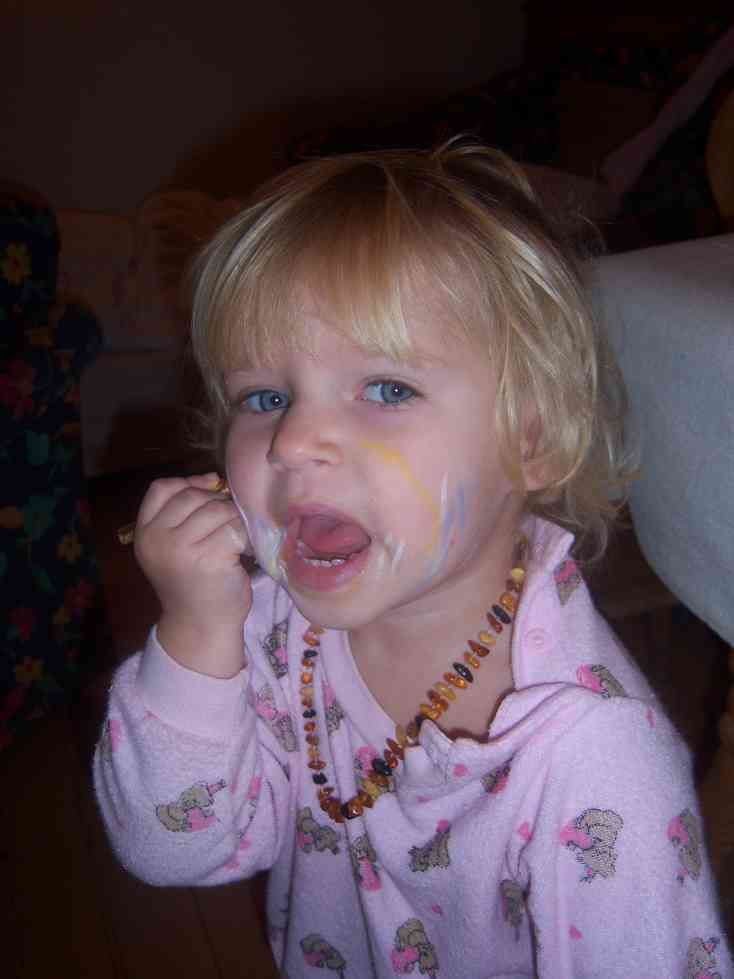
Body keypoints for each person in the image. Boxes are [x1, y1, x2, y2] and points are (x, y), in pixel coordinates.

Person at [93, 142, 732, 978]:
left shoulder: (594, 763)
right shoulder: (275, 627)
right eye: (265, 397)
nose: (292, 441)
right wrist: (194, 633)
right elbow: (170, 845)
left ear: (533, 441)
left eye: (388, 388)